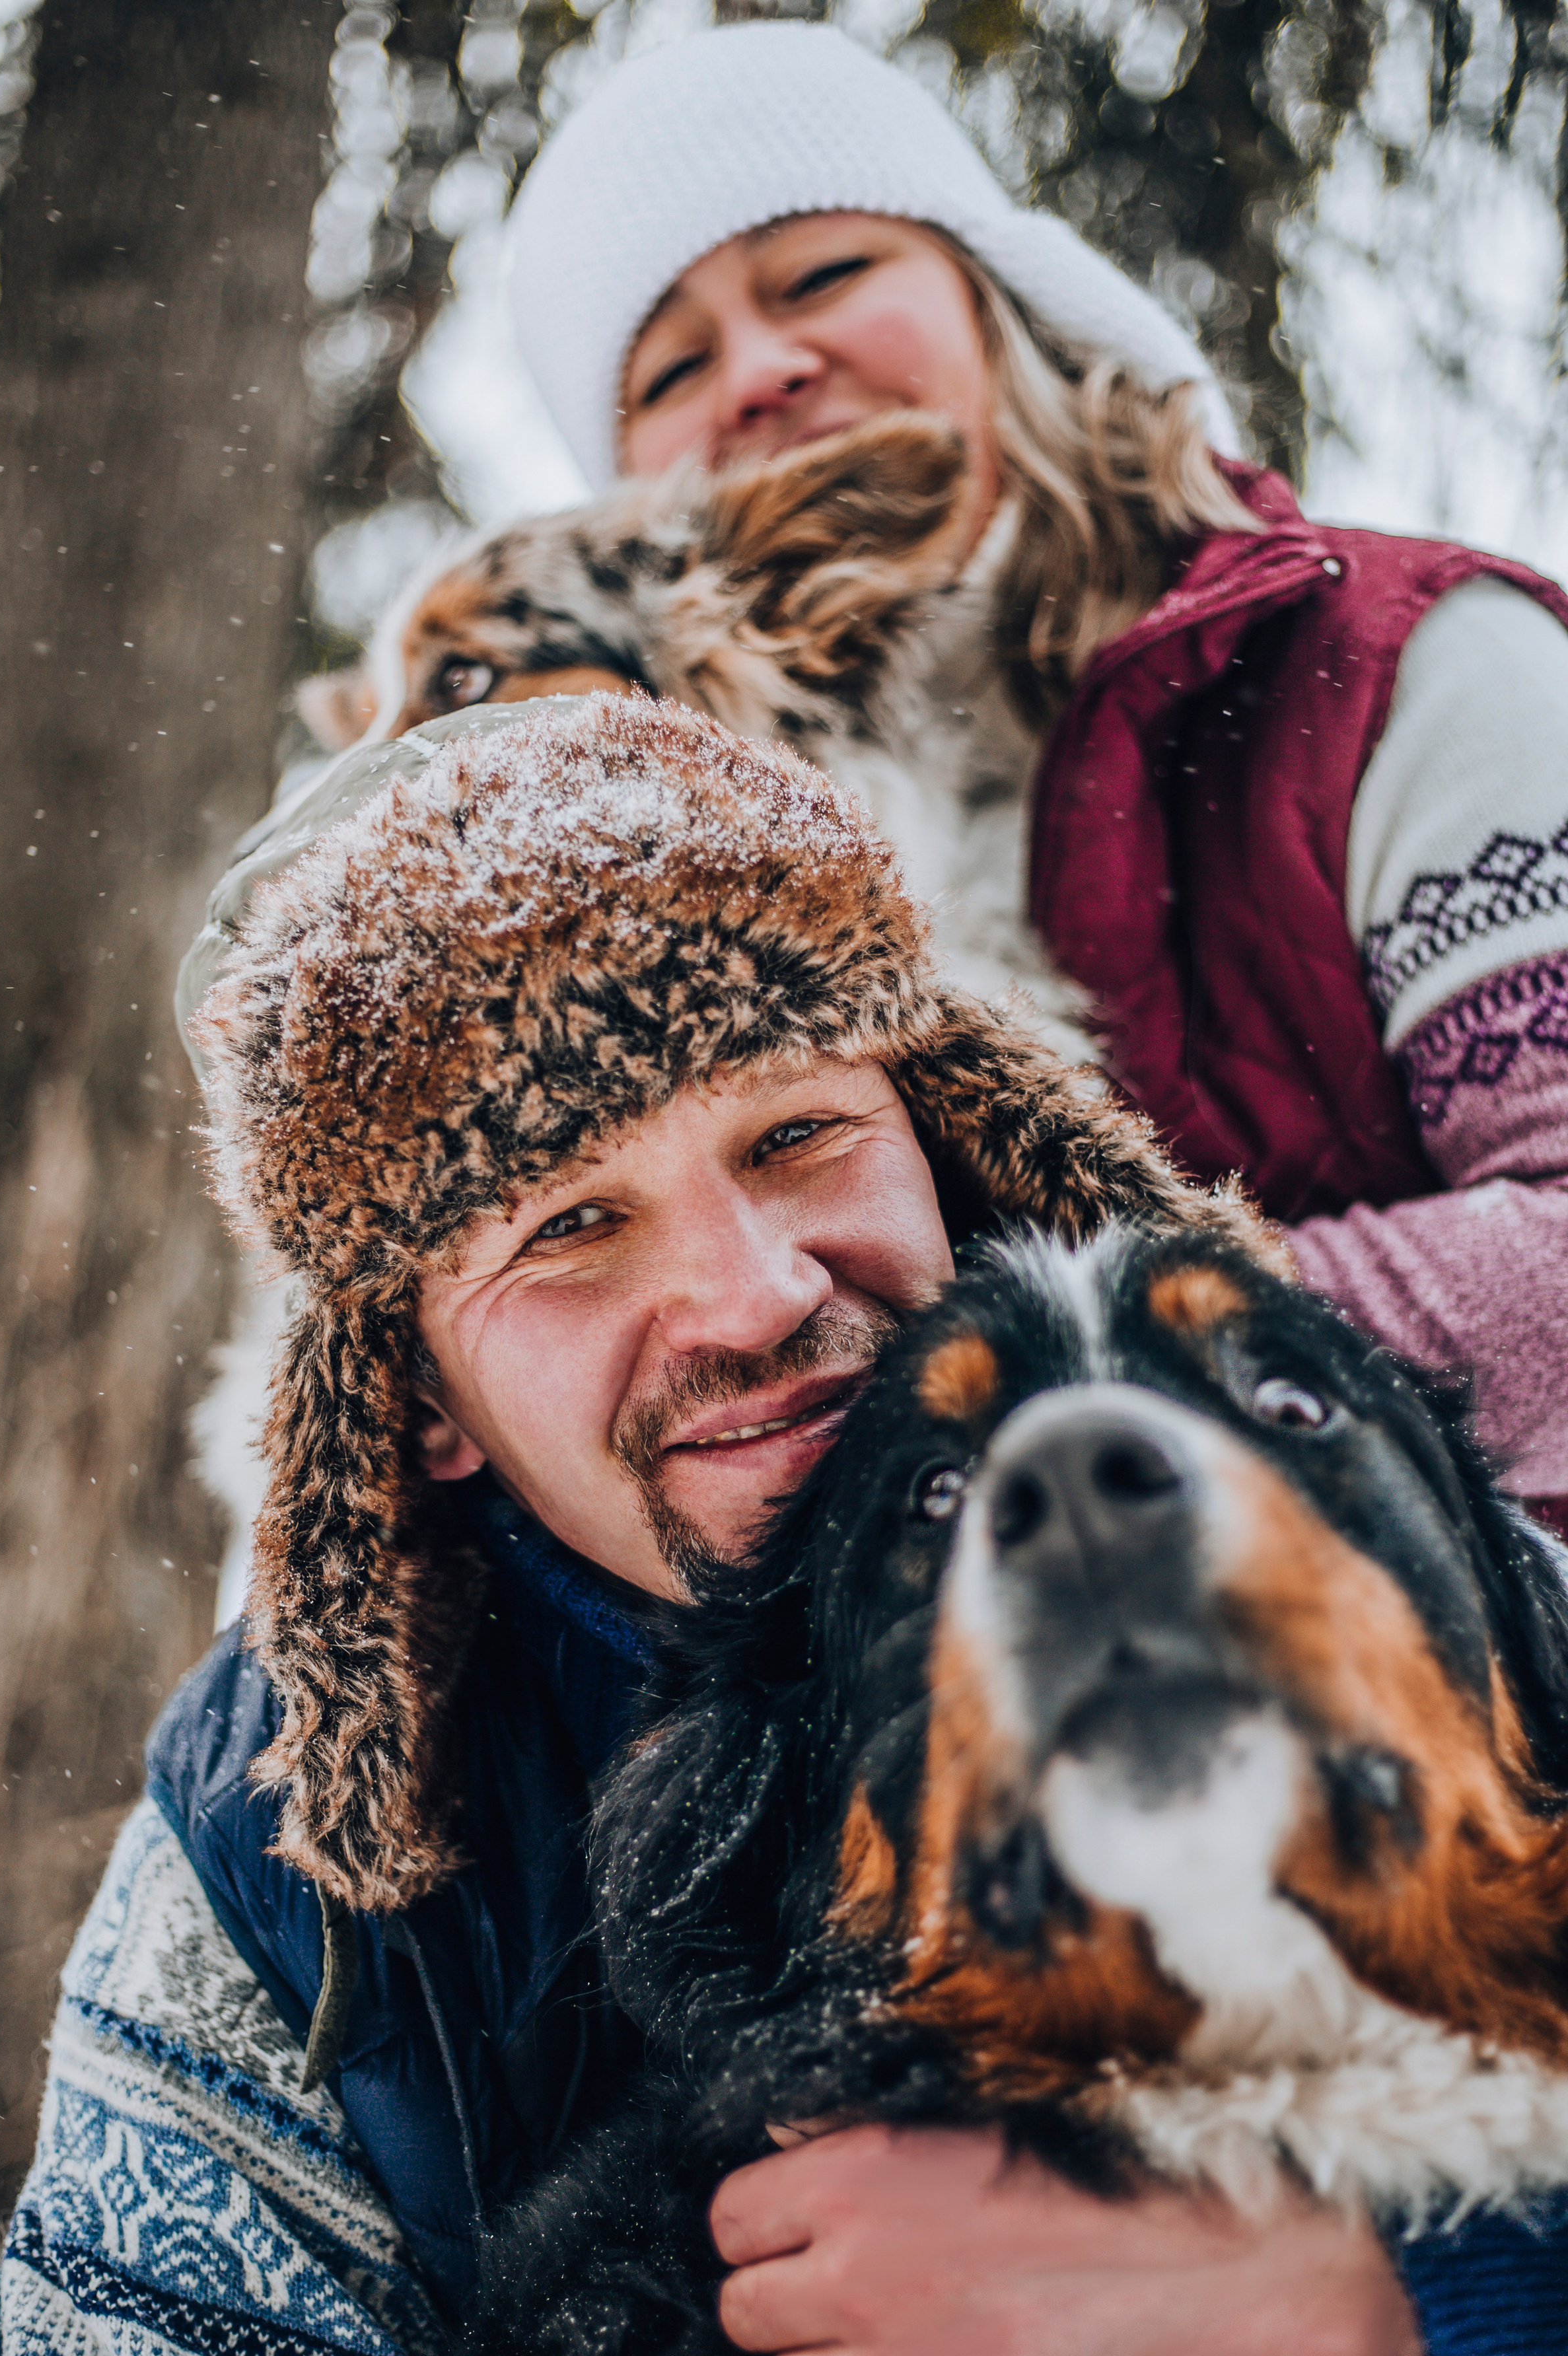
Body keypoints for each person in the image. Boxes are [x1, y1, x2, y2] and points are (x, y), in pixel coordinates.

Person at [0, 692, 1555, 2356]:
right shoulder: (271, 1838)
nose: (753, 1296)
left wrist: (1378, 2315)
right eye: (566, 1227)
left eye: (796, 1136)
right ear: (420, 1408)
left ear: (943, 1135)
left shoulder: (1377, 1536)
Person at [500, 18, 1568, 1529]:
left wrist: (1020, 1367)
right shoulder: (640, 893)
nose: (761, 369)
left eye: (820, 274)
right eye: (671, 367)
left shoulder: (1395, 667)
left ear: (999, 297)